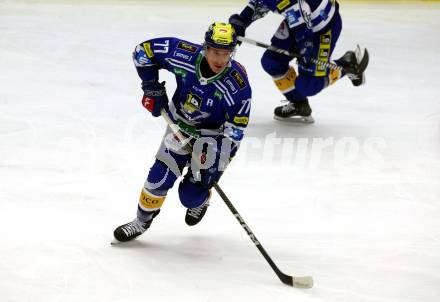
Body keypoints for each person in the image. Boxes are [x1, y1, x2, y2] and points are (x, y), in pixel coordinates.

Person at [113, 22, 252, 243]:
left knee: (190, 196)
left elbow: (236, 130)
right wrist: (151, 87)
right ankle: (141, 221)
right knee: (157, 180)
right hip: (180, 127)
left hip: (212, 139)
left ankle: (202, 199)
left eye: (226, 54)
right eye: (215, 52)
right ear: (205, 47)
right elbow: (143, 52)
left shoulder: (238, 85)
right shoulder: (183, 54)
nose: (219, 59)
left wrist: (218, 164)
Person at [229, 0, 369, 122]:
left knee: (309, 86)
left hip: (323, 28)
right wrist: (242, 20)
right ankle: (299, 104)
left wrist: (305, 43)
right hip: (297, 20)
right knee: (272, 61)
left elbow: (298, 9)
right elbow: (264, 3)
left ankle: (347, 64)